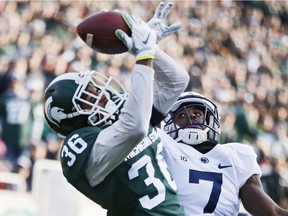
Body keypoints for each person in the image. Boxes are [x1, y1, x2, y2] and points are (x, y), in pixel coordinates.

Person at [43, 3, 189, 216]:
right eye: (88, 97)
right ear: (71, 119)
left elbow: (175, 82)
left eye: (96, 87)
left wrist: (147, 47)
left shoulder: (123, 117)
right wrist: (143, 55)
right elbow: (135, 127)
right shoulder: (80, 143)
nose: (101, 95)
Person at [160, 91, 288, 216]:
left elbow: (272, 212)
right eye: (182, 115)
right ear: (170, 125)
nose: (191, 117)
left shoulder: (234, 155)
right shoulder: (163, 147)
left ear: (210, 120)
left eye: (198, 113)